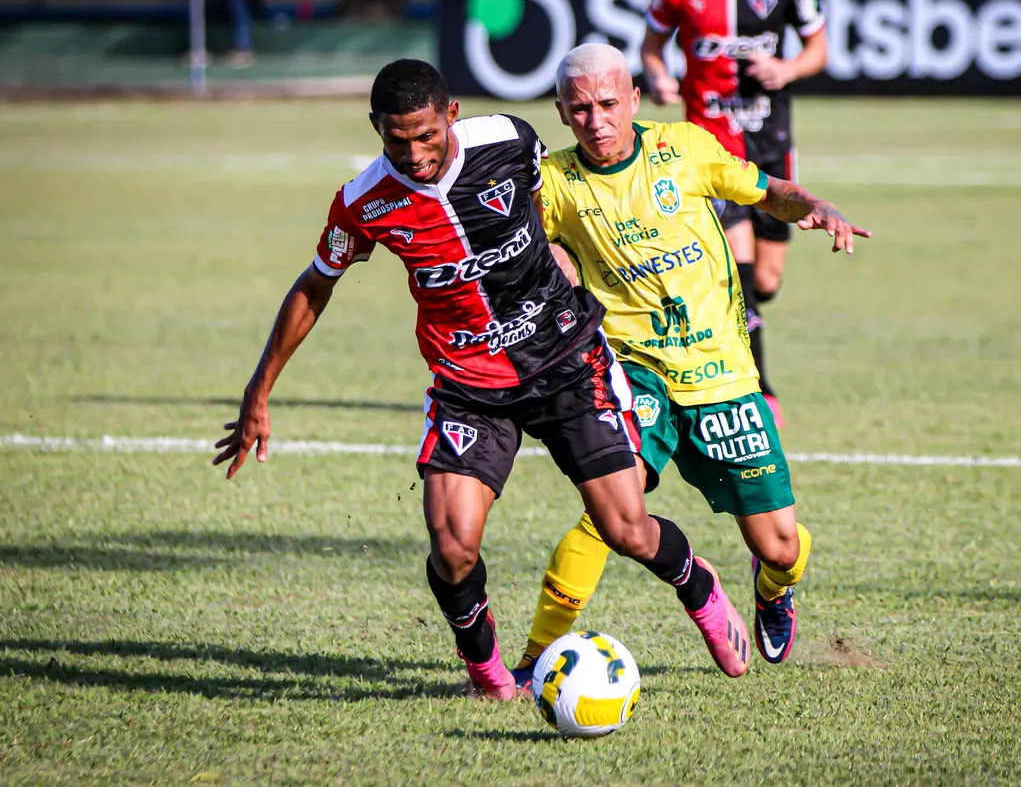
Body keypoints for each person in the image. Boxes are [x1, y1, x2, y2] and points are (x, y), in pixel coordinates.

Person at [212, 59, 755, 698]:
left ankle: (697, 583)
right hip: (467, 384)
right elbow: (315, 284)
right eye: (396, 140)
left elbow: (540, 208)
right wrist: (259, 389)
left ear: (452, 115)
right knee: (452, 547)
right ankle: (490, 676)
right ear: (376, 129)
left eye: (426, 136)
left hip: (565, 360)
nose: (413, 155)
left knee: (626, 528)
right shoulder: (364, 201)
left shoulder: (509, 139)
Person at [510, 43, 869, 685]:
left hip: (721, 375)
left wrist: (817, 206)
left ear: (635, 100)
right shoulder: (555, 182)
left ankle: (773, 587)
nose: (597, 120)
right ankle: (533, 657)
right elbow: (532, 256)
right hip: (630, 371)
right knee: (608, 517)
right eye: (581, 109)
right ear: (561, 114)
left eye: (609, 104)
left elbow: (769, 191)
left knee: (781, 547)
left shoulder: (686, 148)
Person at [641, 0, 828, 426]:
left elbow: (818, 49)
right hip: (708, 148)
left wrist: (786, 68)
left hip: (770, 143)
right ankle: (760, 390)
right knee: (737, 262)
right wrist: (658, 77)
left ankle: (747, 319)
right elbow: (652, 48)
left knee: (764, 279)